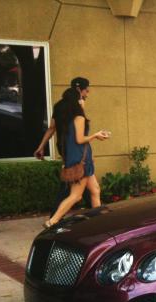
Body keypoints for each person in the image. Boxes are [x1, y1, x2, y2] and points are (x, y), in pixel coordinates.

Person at [42, 87, 109, 228]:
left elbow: (57, 131)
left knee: (95, 190)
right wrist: (96, 135)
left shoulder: (66, 119)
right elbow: (79, 139)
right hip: (81, 159)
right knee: (76, 195)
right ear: (76, 100)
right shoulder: (79, 117)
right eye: (81, 98)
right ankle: (52, 221)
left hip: (79, 157)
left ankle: (98, 223)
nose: (83, 99)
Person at [34, 77, 92, 215]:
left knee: (87, 185)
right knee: (70, 184)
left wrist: (41, 146)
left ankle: (95, 212)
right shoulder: (77, 106)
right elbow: (80, 133)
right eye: (86, 90)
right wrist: (82, 108)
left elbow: (51, 128)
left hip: (65, 148)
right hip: (76, 150)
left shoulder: (59, 106)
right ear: (79, 90)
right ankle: (54, 218)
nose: (87, 94)